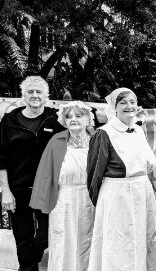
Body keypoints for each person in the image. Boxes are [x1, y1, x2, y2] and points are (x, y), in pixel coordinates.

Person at [86, 87, 156, 271]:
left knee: (144, 238)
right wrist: (105, 204)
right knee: (119, 242)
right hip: (117, 195)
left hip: (142, 192)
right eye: (123, 102)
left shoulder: (138, 130)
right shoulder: (103, 133)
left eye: (132, 102)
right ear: (114, 107)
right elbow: (94, 174)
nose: (129, 106)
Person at [0, 76, 65, 271]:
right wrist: (5, 190)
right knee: (23, 236)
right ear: (23, 95)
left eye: (39, 92)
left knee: (46, 236)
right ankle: (28, 268)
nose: (34, 95)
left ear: (47, 96)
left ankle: (28, 263)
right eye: (30, 92)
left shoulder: (57, 118)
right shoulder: (10, 120)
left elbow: (85, 120)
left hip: (49, 188)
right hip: (18, 188)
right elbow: (1, 157)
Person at [30, 101, 96, 271]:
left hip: (91, 200)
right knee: (63, 241)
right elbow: (45, 172)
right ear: (64, 121)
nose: (73, 119)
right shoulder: (56, 140)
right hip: (63, 199)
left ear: (88, 119)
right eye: (69, 116)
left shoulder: (97, 140)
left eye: (78, 115)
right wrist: (41, 200)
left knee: (88, 240)